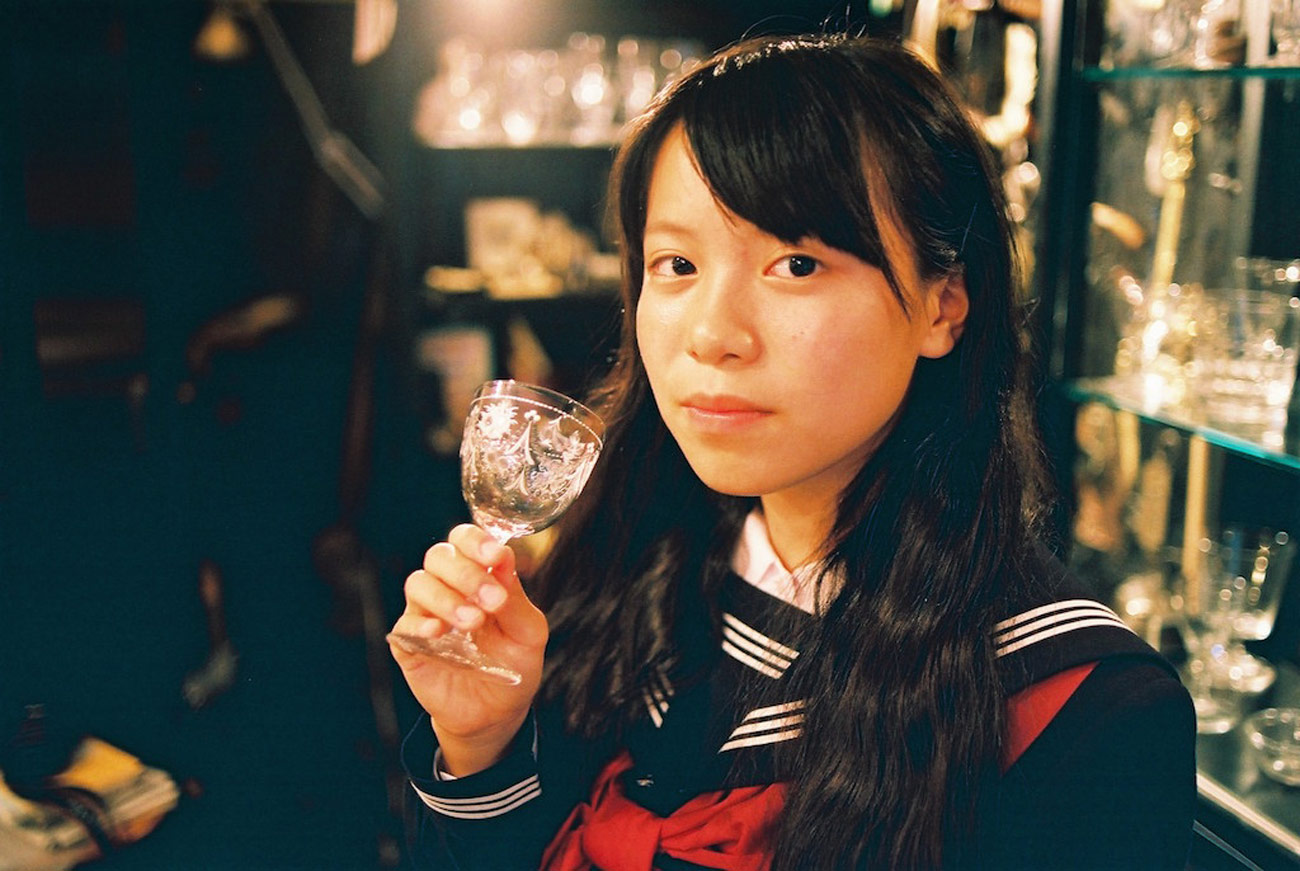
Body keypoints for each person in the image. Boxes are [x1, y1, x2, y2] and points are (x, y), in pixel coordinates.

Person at [389, 33, 1195, 871]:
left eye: (797, 263)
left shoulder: (1079, 707)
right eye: (677, 263)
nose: (712, 333)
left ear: (943, 305)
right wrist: (479, 744)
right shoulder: (617, 570)